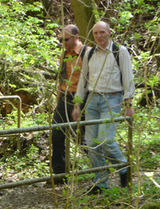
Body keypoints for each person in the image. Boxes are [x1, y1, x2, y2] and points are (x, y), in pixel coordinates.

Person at [72, 21, 135, 194]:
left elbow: (128, 78)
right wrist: (78, 104)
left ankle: (124, 167)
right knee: (92, 143)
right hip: (92, 99)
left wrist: (128, 104)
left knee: (105, 139)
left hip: (112, 99)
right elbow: (83, 80)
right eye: (96, 33)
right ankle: (100, 183)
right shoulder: (89, 53)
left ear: (109, 32)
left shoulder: (119, 51)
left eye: (102, 32)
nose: (99, 36)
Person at [50, 25, 89, 184]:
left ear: (76, 37)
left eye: (66, 39)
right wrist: (58, 100)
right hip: (64, 97)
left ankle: (101, 167)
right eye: (61, 40)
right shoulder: (64, 54)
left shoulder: (87, 53)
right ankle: (59, 173)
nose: (63, 42)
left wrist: (79, 104)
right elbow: (62, 79)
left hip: (81, 99)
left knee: (81, 137)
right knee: (56, 133)